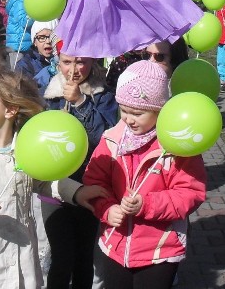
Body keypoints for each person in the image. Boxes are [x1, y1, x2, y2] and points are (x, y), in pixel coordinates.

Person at [0, 65, 106, 289]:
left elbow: (43, 180)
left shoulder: (25, 146)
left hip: (20, 257)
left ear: (10, 109)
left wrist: (77, 192)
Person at [83, 61, 207, 289]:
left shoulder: (176, 146)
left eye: (138, 113)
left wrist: (146, 204)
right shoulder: (112, 140)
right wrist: (106, 208)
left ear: (159, 110)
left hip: (160, 249)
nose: (129, 119)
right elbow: (95, 181)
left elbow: (190, 192)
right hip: (116, 244)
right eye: (124, 110)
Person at [42, 51, 118, 289]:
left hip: (89, 185)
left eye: (81, 61)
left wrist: (80, 103)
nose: (73, 69)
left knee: (84, 256)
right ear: (58, 62)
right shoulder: (47, 93)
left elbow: (103, 137)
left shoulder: (103, 96)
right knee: (61, 257)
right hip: (54, 188)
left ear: (92, 61)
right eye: (66, 62)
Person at [15, 18, 59, 85]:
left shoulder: (65, 61)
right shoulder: (25, 65)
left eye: (52, 37)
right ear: (34, 42)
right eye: (42, 37)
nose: (48, 41)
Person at [5, 0, 34, 68]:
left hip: (21, 44)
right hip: (19, 45)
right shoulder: (20, 3)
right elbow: (24, 22)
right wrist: (35, 15)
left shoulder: (21, 2)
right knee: (18, 72)